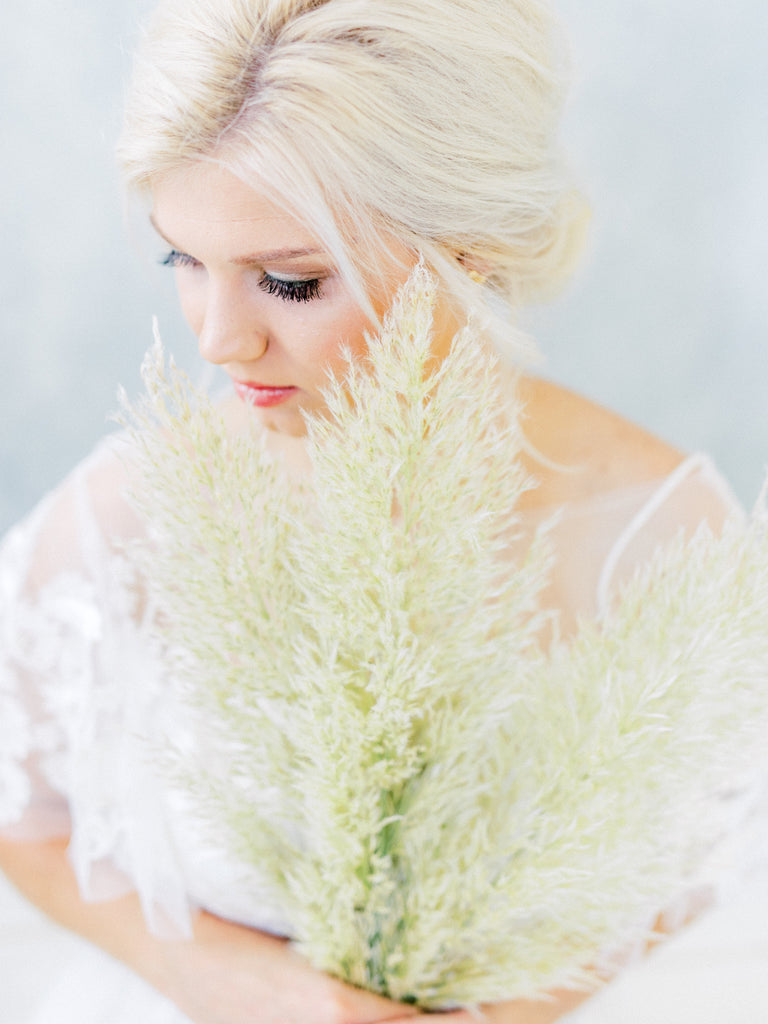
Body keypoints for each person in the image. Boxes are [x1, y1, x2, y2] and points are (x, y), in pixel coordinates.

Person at [0, 1, 764, 1022]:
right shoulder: (131, 510)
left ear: (473, 250)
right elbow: (27, 818)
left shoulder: (660, 538)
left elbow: (674, 875)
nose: (219, 339)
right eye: (180, 258)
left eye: (288, 281)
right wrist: (216, 977)